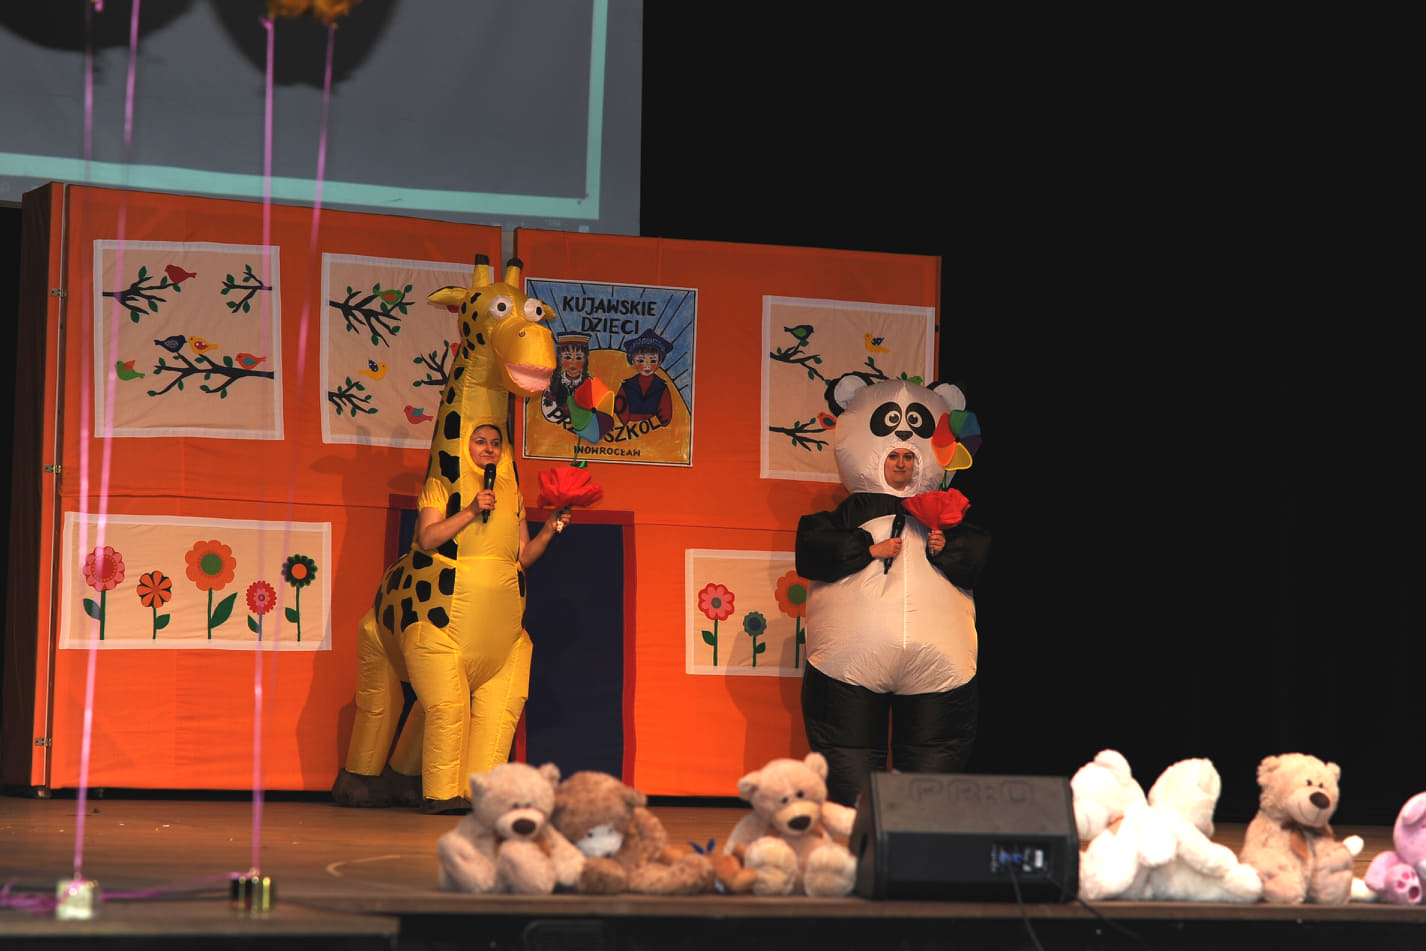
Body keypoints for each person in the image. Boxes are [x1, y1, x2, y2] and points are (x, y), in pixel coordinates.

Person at [796, 379, 990, 807]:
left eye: (908, 457)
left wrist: (945, 547)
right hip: (849, 661)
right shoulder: (845, 517)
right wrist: (867, 548)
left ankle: (919, 824)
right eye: (893, 456)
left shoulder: (947, 517)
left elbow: (975, 559)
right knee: (848, 754)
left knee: (933, 755)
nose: (901, 465)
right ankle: (858, 823)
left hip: (939, 662)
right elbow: (813, 550)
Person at [613, 328, 674, 427]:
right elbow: (620, 409)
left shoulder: (662, 388)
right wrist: (627, 424)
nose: (647, 366)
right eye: (641, 361)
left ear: (659, 363)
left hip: (653, 430)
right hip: (629, 429)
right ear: (633, 362)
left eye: (653, 361)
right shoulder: (627, 386)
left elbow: (666, 417)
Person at [540, 332, 592, 425]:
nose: (573, 362)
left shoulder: (589, 383)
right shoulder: (554, 382)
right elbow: (548, 409)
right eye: (568, 357)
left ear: (585, 360)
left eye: (578, 358)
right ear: (561, 359)